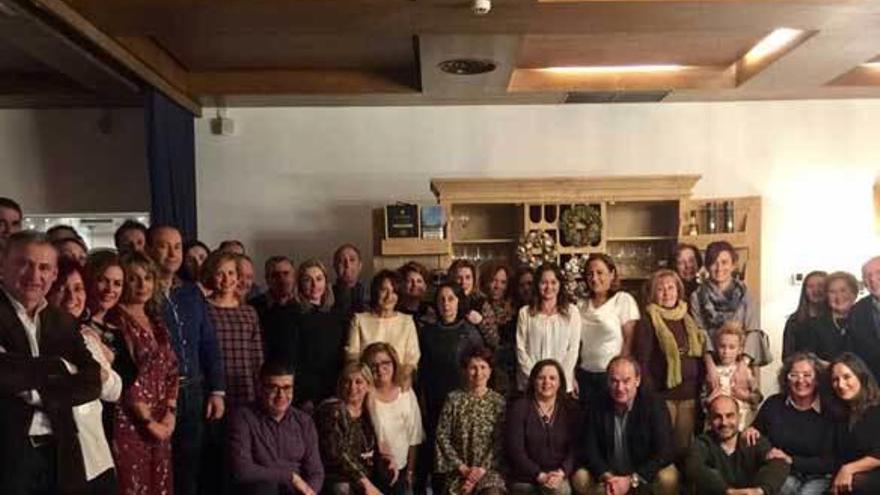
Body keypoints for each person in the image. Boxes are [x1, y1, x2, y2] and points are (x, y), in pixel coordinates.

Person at [0, 231, 102, 495]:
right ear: (3, 264)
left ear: (55, 274)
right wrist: (60, 369)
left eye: (44, 267)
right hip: (7, 454)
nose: (35, 275)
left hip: (60, 452)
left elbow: (92, 381)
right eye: (24, 263)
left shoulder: (62, 321)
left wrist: (35, 383)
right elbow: (4, 374)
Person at [147, 225, 226, 495]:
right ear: (148, 250)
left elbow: (208, 343)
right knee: (158, 465)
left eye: (177, 246)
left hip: (193, 391)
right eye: (163, 245)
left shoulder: (191, 293)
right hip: (157, 395)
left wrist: (217, 391)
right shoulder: (142, 294)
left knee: (190, 465)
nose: (172, 253)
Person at [47, 259, 122, 494]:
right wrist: (92, 376)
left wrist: (96, 373)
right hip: (60, 460)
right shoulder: (38, 337)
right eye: (61, 289)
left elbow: (115, 389)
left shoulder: (87, 336)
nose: (71, 298)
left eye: (78, 289)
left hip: (98, 456)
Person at [108, 251, 179, 495]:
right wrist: (147, 421)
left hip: (161, 419)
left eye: (148, 278)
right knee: (133, 485)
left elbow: (172, 369)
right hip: (130, 420)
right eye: (134, 278)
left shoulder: (156, 320)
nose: (142, 285)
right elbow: (126, 377)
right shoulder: (116, 319)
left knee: (160, 485)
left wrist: (170, 411)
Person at [573, 356, 678, 495]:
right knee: (580, 478)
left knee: (668, 478)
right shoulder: (596, 404)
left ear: (637, 380)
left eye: (626, 381)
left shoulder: (654, 404)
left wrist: (632, 480)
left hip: (640, 475)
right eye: (614, 381)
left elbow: (665, 451)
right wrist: (607, 476)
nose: (620, 388)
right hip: (610, 475)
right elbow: (589, 448)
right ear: (607, 381)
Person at [417, 283, 485, 493]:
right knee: (438, 460)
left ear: (459, 301)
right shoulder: (427, 332)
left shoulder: (469, 331)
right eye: (441, 299)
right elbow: (422, 371)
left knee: (462, 458)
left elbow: (481, 367)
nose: (446, 304)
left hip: (463, 403)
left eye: (451, 299)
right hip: (435, 401)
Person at [633, 269, 706, 459]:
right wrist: (651, 396)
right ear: (652, 294)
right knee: (663, 446)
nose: (667, 293)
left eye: (671, 287)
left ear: (678, 290)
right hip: (663, 395)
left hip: (690, 394)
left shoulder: (688, 317)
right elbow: (642, 362)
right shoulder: (648, 321)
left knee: (684, 448)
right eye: (660, 289)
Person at [743, 352, 834, 495]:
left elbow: (831, 461)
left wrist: (791, 459)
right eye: (794, 375)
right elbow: (756, 430)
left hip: (819, 476)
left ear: (817, 379)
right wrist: (751, 430)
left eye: (807, 375)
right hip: (783, 472)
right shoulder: (773, 403)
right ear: (786, 379)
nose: (800, 380)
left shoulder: (829, 410)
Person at [228, 360, 324, 495]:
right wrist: (290, 477)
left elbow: (316, 471)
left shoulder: (304, 421)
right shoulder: (243, 417)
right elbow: (241, 470)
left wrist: (309, 491)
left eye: (287, 388)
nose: (281, 395)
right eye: (273, 387)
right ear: (260, 388)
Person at [690, 241, 771, 374]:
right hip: (710, 363)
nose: (719, 267)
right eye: (713, 262)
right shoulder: (697, 296)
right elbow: (700, 333)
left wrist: (743, 365)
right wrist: (710, 366)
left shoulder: (746, 294)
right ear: (707, 266)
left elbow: (753, 331)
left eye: (724, 262)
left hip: (743, 362)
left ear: (733, 265)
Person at [435, 346, 506, 495]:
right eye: (473, 367)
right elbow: (442, 437)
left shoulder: (498, 402)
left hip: (488, 470)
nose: (478, 373)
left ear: (490, 370)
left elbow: (500, 441)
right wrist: (463, 469)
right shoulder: (453, 399)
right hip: (459, 470)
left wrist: (480, 471)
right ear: (465, 370)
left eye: (483, 367)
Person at [685, 395, 789, 495]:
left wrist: (760, 490)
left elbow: (778, 464)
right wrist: (728, 492)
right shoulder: (702, 443)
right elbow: (693, 466)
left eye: (729, 415)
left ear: (739, 417)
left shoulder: (752, 439)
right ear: (709, 419)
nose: (724, 422)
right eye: (718, 417)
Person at [506, 360, 582, 495]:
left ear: (560, 383)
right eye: (541, 378)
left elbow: (575, 448)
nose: (547, 382)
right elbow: (515, 451)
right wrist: (539, 475)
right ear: (533, 381)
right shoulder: (519, 408)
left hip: (558, 476)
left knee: (560, 490)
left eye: (552, 378)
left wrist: (562, 472)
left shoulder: (571, 409)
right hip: (526, 476)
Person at [202, 251, 264, 408]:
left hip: (244, 384)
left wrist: (260, 388)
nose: (226, 279)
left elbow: (256, 355)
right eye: (220, 274)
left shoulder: (249, 312)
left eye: (231, 273)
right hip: (213, 386)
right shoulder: (202, 308)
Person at [284, 259, 348, 409]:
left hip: (334, 389)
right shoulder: (291, 314)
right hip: (306, 394)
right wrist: (305, 396)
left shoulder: (336, 315)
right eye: (308, 280)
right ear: (300, 284)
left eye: (319, 279)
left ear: (326, 282)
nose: (314, 285)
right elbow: (291, 360)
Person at [362, 342, 424, 495]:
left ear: (394, 363)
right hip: (371, 469)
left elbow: (414, 437)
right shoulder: (363, 394)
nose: (380, 369)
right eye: (373, 365)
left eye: (385, 363)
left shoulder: (406, 393)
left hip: (401, 469)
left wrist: (410, 472)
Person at [316, 362, 387, 495]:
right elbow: (337, 455)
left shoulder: (369, 413)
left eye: (358, 382)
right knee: (342, 488)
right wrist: (366, 483)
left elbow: (375, 447)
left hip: (364, 475)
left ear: (368, 386)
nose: (352, 387)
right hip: (339, 477)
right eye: (347, 382)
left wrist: (388, 457)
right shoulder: (332, 410)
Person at [577, 254, 639, 404]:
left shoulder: (622, 300)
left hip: (612, 378)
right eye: (590, 274)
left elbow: (629, 341)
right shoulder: (580, 305)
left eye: (600, 273)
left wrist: (620, 374)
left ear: (611, 274)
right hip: (585, 375)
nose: (594, 278)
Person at [346, 270, 421, 388]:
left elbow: (411, 359)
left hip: (398, 386)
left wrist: (398, 382)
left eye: (394, 291)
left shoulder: (407, 321)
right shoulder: (359, 320)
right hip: (366, 387)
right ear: (376, 292)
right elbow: (352, 357)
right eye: (384, 290)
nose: (389, 296)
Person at [516, 263, 581, 394]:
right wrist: (538, 378)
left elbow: (573, 350)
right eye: (543, 283)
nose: (549, 287)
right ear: (537, 285)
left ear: (560, 284)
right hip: (531, 384)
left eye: (553, 282)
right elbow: (520, 349)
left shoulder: (572, 312)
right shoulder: (525, 313)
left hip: (562, 385)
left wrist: (556, 379)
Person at [828, 353, 880, 494]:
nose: (840, 384)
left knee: (853, 485)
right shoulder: (841, 413)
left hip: (872, 476)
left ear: (861, 376)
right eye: (835, 380)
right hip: (854, 475)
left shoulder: (877, 407)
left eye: (846, 377)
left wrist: (849, 469)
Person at [703, 322, 762, 431]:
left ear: (740, 350)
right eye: (722, 346)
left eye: (731, 347)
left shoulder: (746, 372)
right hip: (718, 424)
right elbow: (703, 401)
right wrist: (710, 400)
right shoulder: (712, 374)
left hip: (742, 424)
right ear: (716, 347)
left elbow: (758, 397)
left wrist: (745, 396)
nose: (726, 352)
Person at [800, 271, 858, 365]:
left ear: (854, 293)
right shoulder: (814, 325)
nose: (838, 297)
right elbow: (809, 358)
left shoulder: (868, 319)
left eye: (843, 290)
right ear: (826, 296)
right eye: (832, 292)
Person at [478, 262, 517, 394]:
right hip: (485, 369)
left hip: (511, 370)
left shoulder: (514, 308)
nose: (497, 286)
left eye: (503, 282)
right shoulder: (480, 305)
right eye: (494, 281)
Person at [846, 256, 880, 380]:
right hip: (873, 385)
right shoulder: (857, 311)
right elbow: (854, 353)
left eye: (878, 273)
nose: (872, 279)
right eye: (867, 276)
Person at [782, 271, 827, 360]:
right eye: (810, 286)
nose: (816, 290)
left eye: (820, 285)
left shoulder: (836, 320)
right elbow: (787, 357)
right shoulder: (794, 321)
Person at [250, 256, 297, 335]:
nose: (281, 279)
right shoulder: (253, 309)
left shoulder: (304, 308)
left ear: (294, 277)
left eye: (286, 273)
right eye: (275, 275)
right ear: (267, 279)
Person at [332, 244, 368, 316]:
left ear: (360, 265)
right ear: (335, 266)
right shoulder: (326, 296)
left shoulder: (370, 295)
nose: (347, 265)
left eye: (352, 260)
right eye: (341, 261)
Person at [448, 259, 485, 326]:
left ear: (474, 280)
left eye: (468, 277)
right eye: (459, 277)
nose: (463, 282)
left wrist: (481, 322)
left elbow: (494, 335)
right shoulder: (445, 301)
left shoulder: (482, 303)